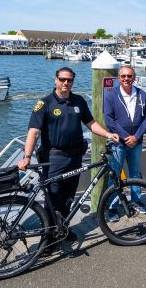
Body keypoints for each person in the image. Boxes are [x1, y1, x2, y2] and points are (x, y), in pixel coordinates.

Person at [17, 67, 119, 244]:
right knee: (53, 199)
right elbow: (34, 132)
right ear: (56, 80)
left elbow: (91, 123)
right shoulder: (45, 103)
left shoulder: (78, 101)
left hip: (75, 157)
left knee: (68, 198)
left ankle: (62, 228)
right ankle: (47, 241)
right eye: (62, 79)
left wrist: (107, 134)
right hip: (53, 159)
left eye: (69, 80)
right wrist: (27, 156)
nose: (66, 83)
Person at [103, 66, 146, 213]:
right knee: (115, 175)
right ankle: (112, 207)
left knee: (135, 173)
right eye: (123, 76)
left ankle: (136, 201)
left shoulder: (142, 94)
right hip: (118, 143)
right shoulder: (111, 95)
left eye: (129, 76)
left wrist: (136, 137)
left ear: (134, 77)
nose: (126, 79)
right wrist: (126, 137)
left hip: (136, 142)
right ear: (119, 78)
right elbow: (109, 119)